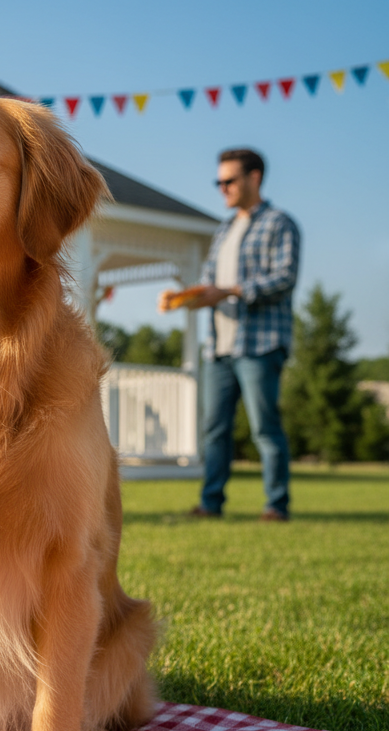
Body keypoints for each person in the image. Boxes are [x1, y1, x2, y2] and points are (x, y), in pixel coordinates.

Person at [163, 148, 300, 521]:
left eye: (229, 181)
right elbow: (211, 283)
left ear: (254, 178)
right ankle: (211, 503)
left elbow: (284, 278)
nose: (222, 188)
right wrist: (186, 297)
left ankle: (276, 505)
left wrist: (230, 291)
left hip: (260, 344)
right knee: (215, 430)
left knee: (264, 428)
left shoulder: (279, 223)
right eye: (219, 182)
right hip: (220, 347)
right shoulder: (224, 230)